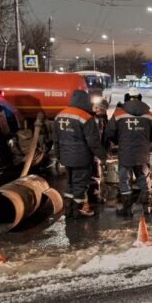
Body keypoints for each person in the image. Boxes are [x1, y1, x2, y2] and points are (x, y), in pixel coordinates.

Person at [106, 88, 152, 216]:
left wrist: (119, 142)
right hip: (142, 153)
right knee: (144, 179)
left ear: (127, 97)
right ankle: (147, 208)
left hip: (125, 153)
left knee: (125, 180)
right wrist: (145, 141)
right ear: (139, 98)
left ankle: (127, 209)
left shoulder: (118, 113)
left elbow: (110, 132)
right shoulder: (149, 114)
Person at [53, 90, 107, 219]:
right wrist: (103, 156)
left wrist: (58, 155)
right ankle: (80, 210)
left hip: (66, 157)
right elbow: (93, 142)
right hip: (81, 158)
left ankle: (69, 209)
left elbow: (55, 139)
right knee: (80, 184)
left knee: (70, 183)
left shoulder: (59, 115)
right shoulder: (85, 118)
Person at [88, 97, 109, 204]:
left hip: (97, 150)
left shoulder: (103, 118)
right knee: (94, 175)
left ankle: (93, 195)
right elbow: (94, 139)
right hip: (92, 151)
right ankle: (93, 197)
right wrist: (101, 154)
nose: (99, 110)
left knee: (96, 174)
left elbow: (105, 135)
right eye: (99, 108)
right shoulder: (91, 119)